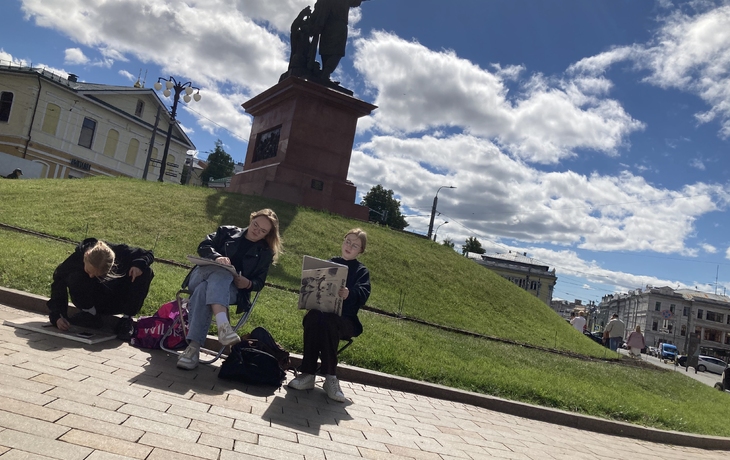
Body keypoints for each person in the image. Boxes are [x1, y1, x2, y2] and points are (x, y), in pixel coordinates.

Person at [177, 208, 283, 370]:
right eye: (255, 225)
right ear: (251, 219)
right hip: (200, 276)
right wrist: (217, 257)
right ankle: (223, 326)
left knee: (204, 291)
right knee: (223, 271)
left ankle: (193, 348)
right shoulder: (226, 232)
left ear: (267, 234)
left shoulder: (265, 253)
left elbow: (259, 282)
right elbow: (204, 246)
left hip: (231, 290)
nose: (257, 231)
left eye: (263, 231)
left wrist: (247, 283)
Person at [288, 228, 370, 402]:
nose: (349, 246)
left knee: (329, 322)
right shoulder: (332, 262)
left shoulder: (361, 271)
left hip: (346, 320)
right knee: (313, 317)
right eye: (347, 241)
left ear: (360, 250)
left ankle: (331, 378)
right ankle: (308, 374)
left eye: (355, 245)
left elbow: (364, 293)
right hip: (322, 314)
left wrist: (350, 293)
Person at [47, 238, 154, 340]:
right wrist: (57, 316)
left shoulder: (121, 252)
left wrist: (139, 265)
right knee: (73, 275)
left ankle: (126, 320)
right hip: (90, 299)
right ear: (86, 256)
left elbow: (148, 254)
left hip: (116, 300)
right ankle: (89, 315)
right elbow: (58, 282)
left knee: (145, 271)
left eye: (99, 274)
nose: (91, 276)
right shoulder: (76, 258)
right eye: (89, 271)